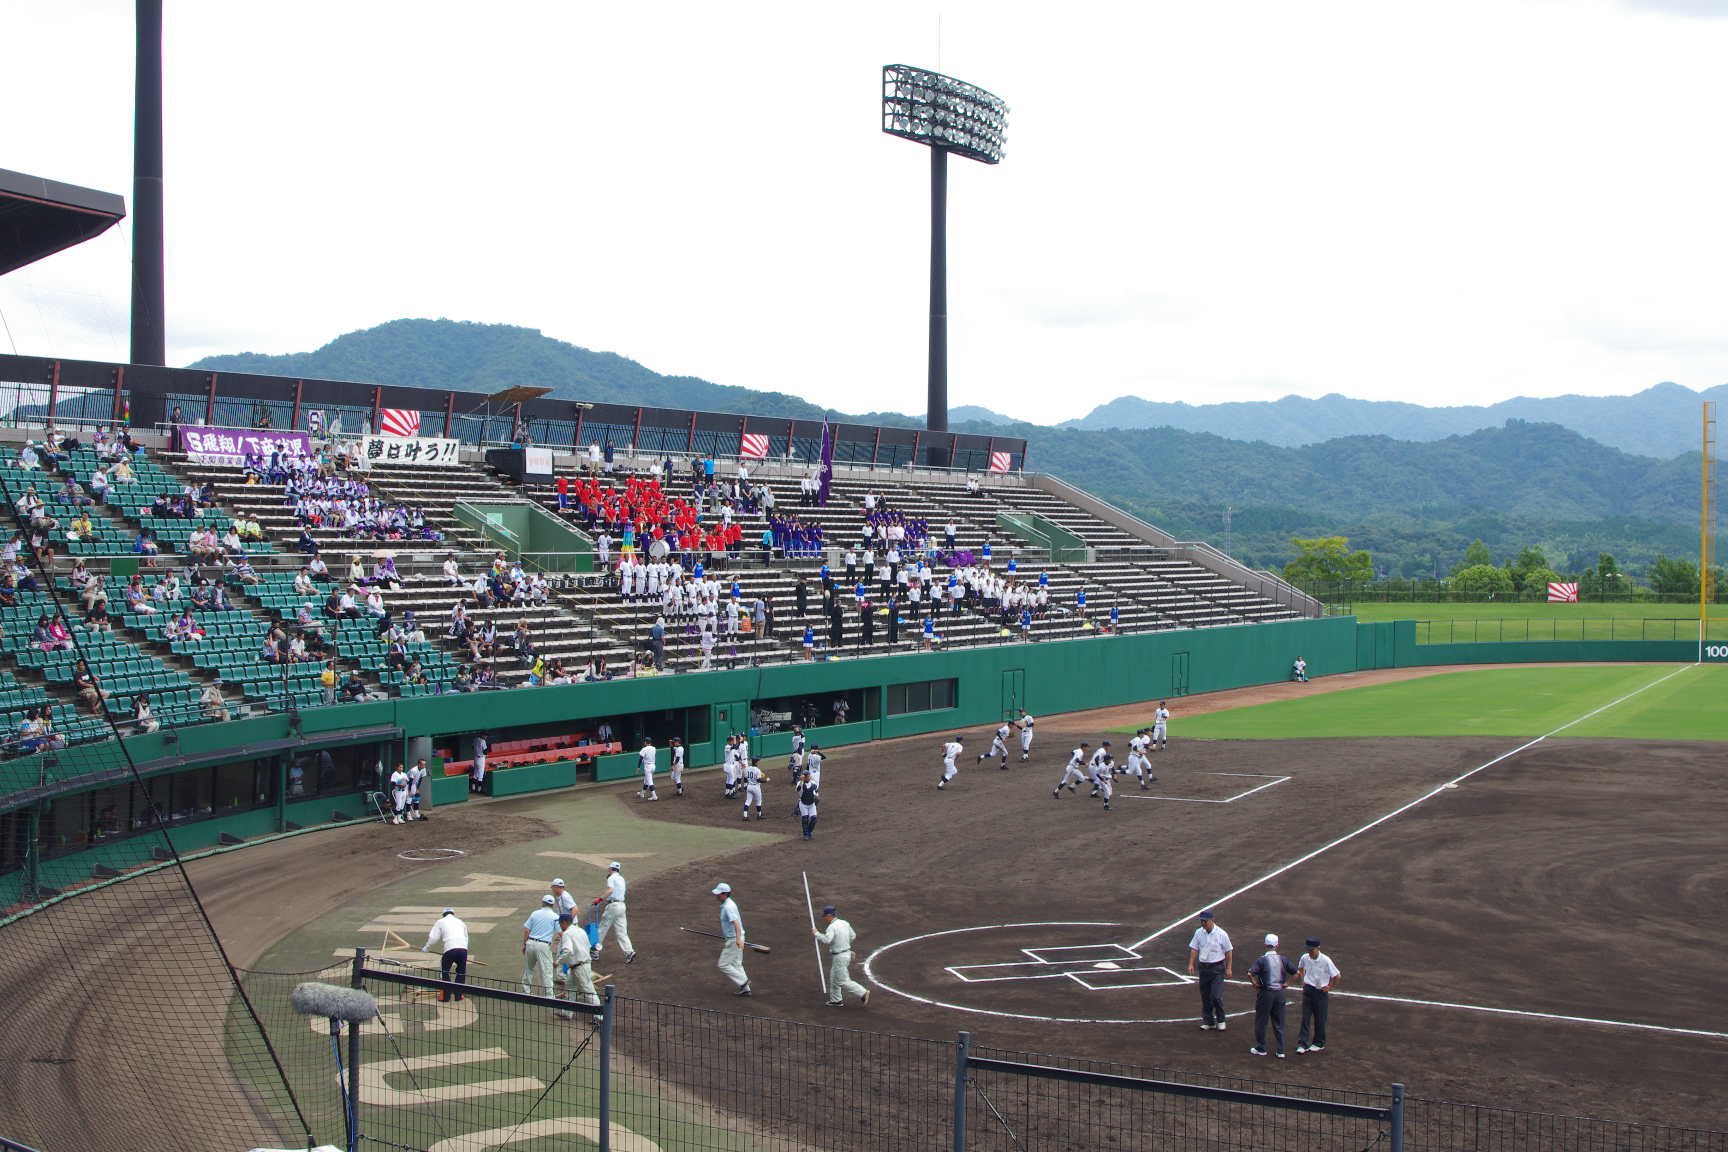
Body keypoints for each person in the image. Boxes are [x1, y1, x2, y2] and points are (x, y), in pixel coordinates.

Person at [1249, 933, 1298, 1058]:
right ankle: (1281, 1050)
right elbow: (1296, 973)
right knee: (1279, 1022)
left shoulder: (1261, 960)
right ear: (1277, 945)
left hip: (1266, 994)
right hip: (1280, 994)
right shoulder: (1283, 959)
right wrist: (1287, 983)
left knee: (1261, 1021)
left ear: (1265, 945)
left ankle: (1261, 1048)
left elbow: (1250, 973)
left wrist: (1255, 984)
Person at [812, 905, 869, 1007]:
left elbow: (827, 940)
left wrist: (817, 934)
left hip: (839, 957)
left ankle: (862, 992)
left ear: (830, 915)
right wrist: (846, 947)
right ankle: (836, 1000)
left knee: (843, 980)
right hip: (846, 953)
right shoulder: (845, 923)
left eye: (825, 916)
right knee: (834, 977)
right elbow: (853, 936)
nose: (824, 918)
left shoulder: (831, 927)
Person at [1188, 910, 1234, 1031]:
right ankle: (1209, 1021)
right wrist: (1191, 963)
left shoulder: (1222, 934)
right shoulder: (1199, 933)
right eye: (1201, 921)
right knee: (1205, 996)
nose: (1203, 923)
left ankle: (1221, 1019)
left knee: (1216, 996)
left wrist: (1228, 968)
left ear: (1212, 920)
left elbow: (1228, 951)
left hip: (1217, 968)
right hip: (1203, 968)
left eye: (1205, 921)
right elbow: (1194, 948)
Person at [1295, 937, 1341, 1054]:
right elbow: (1300, 968)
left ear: (1318, 948)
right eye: (1308, 949)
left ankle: (1318, 1043)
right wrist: (1303, 980)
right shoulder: (1305, 957)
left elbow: (1337, 976)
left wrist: (1329, 987)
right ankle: (1302, 1044)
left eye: (1312, 949)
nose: (1310, 952)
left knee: (1320, 1019)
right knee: (1305, 1018)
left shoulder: (1326, 960)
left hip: (1320, 993)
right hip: (1308, 990)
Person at [591, 861, 637, 965]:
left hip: (613, 906)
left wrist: (599, 899)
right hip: (621, 906)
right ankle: (629, 952)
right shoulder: (621, 878)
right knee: (622, 931)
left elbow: (610, 891)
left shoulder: (611, 878)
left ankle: (595, 950)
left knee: (602, 928)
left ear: (611, 869)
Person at [555, 912, 599, 1016]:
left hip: (580, 966)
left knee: (589, 991)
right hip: (579, 965)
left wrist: (558, 961)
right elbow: (588, 946)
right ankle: (567, 1012)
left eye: (560, 923)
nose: (560, 926)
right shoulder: (581, 930)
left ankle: (599, 1017)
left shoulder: (567, 933)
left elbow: (567, 950)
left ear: (565, 922)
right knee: (570, 987)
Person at [422, 909, 469, 1001]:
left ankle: (445, 996)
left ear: (443, 915)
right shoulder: (460, 922)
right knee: (461, 972)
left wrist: (427, 946)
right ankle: (458, 995)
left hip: (450, 950)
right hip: (463, 950)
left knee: (445, 972)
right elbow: (466, 937)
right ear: (453, 914)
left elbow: (433, 937)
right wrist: (463, 949)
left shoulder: (440, 922)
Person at [712, 882, 750, 995]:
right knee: (737, 964)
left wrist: (737, 940)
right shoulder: (729, 904)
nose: (716, 896)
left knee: (723, 964)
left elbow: (736, 924)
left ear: (725, 894)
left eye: (718, 894)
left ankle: (744, 982)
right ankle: (746, 989)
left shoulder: (728, 907)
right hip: (737, 938)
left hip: (734, 940)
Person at [521, 894, 560, 1000]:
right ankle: (549, 995)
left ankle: (526, 991)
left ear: (543, 903)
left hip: (530, 943)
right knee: (546, 971)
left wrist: (524, 944)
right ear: (552, 905)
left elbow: (526, 930)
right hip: (543, 946)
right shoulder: (555, 917)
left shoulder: (535, 913)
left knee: (528, 968)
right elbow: (560, 932)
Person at [796, 768, 820, 840]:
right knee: (805, 819)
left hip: (812, 804)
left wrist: (817, 797)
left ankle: (809, 832)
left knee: (814, 819)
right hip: (803, 804)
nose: (807, 777)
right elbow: (798, 789)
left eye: (808, 776)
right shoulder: (800, 783)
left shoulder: (813, 783)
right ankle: (805, 834)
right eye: (805, 776)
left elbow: (816, 792)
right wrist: (801, 780)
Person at [635, 737, 659, 802]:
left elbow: (640, 758)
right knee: (646, 781)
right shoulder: (654, 748)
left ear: (646, 742)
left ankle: (654, 796)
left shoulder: (644, 749)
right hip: (653, 766)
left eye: (644, 741)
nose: (644, 742)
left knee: (650, 782)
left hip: (648, 767)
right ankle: (642, 793)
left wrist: (638, 767)